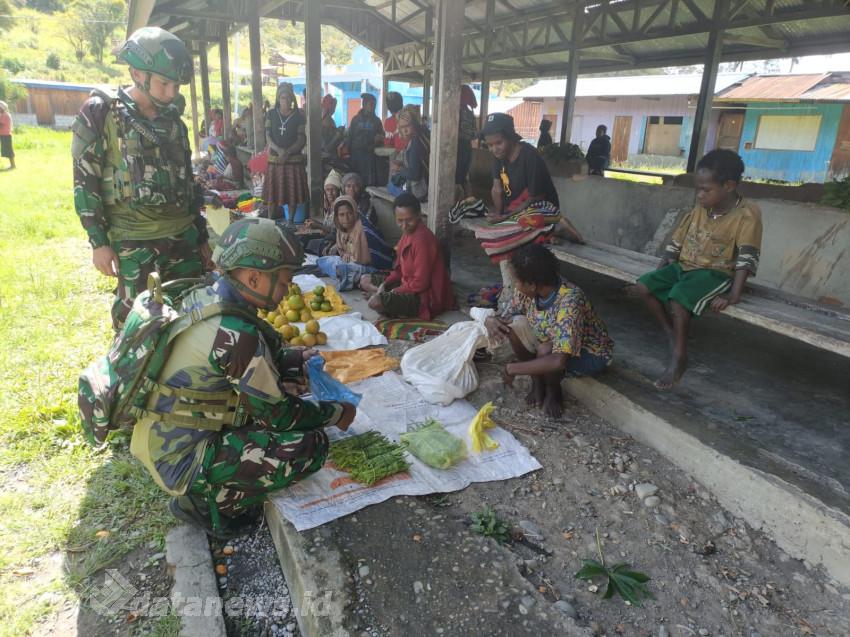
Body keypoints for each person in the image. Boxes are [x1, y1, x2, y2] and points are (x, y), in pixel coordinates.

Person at [129, 218, 357, 537]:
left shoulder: (204, 296)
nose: (288, 290)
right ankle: (208, 501)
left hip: (162, 436)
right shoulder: (238, 334)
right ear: (253, 278)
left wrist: (288, 360)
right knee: (311, 444)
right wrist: (335, 413)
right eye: (283, 281)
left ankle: (209, 484)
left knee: (279, 398)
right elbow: (281, 416)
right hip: (181, 457)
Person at [71, 26, 210, 330]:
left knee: (190, 322)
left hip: (182, 239)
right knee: (138, 328)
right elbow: (85, 181)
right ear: (136, 73)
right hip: (135, 242)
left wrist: (201, 236)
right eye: (164, 83)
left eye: (176, 85)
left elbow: (188, 183)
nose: (172, 92)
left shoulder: (174, 120)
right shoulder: (101, 112)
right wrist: (98, 242)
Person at [635, 149, 762, 390]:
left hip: (715, 272)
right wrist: (667, 259)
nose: (700, 195)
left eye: (706, 190)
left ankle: (680, 357)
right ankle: (671, 334)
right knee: (643, 285)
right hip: (685, 266)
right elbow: (680, 237)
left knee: (678, 298)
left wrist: (733, 295)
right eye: (698, 189)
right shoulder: (701, 208)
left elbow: (747, 255)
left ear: (729, 185)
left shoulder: (747, 215)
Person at [485, 244, 613, 418]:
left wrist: (511, 368)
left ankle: (553, 391)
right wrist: (490, 319)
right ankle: (537, 380)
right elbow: (505, 317)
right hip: (549, 338)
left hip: (589, 353)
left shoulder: (570, 300)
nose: (515, 284)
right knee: (513, 326)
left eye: (516, 280)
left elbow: (558, 361)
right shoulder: (531, 289)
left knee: (546, 350)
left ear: (531, 284)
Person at [360, 192, 454, 320]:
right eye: (400, 220)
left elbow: (421, 283)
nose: (404, 225)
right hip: (405, 283)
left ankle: (387, 301)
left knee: (375, 302)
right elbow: (398, 270)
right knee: (365, 279)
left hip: (423, 296)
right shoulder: (407, 234)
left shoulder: (422, 241)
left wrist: (395, 291)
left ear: (419, 215)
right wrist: (385, 284)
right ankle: (384, 296)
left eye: (409, 220)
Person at [316, 195, 394, 290]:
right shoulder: (341, 229)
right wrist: (345, 254)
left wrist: (351, 259)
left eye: (350, 213)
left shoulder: (363, 230)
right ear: (336, 217)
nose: (346, 218)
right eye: (341, 215)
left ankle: (351, 278)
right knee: (323, 260)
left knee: (342, 269)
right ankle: (351, 278)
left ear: (355, 212)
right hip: (351, 262)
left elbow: (369, 260)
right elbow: (343, 251)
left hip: (371, 267)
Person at [263, 82, 308, 221]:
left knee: (292, 194)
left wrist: (287, 152)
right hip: (275, 160)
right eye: (283, 97)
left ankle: (291, 221)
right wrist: (279, 150)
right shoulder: (271, 114)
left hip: (293, 161)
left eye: (288, 97)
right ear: (278, 99)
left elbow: (301, 139)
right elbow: (268, 136)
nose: (286, 100)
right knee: (272, 195)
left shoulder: (299, 116)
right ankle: (270, 221)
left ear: (292, 99)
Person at [389, 105, 429, 201]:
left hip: (420, 192)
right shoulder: (424, 133)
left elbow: (415, 174)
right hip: (426, 186)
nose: (405, 131)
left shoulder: (415, 142)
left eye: (408, 126)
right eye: (402, 127)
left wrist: (399, 168)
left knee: (390, 186)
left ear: (414, 124)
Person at [343, 93, 384, 186]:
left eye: (374, 104)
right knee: (356, 183)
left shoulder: (377, 121)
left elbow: (381, 136)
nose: (373, 107)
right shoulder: (355, 120)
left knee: (369, 185)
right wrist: (349, 154)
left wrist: (379, 139)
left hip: (370, 158)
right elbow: (350, 138)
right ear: (364, 104)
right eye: (371, 104)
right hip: (356, 157)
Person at [303, 170, 343, 255]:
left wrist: (318, 226)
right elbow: (327, 226)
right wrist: (314, 223)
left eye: (333, 190)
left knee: (310, 244)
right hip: (328, 236)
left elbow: (336, 231)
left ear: (339, 191)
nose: (330, 193)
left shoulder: (341, 207)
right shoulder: (329, 206)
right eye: (327, 190)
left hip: (336, 240)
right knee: (302, 239)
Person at [456, 85, 477, 194]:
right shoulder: (470, 112)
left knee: (457, 176)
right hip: (467, 147)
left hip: (458, 147)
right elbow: (474, 134)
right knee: (463, 175)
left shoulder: (455, 112)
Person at [320, 94, 343, 160]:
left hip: (330, 155)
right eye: (333, 106)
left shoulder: (328, 120)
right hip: (328, 159)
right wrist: (337, 135)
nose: (334, 109)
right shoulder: (326, 121)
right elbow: (327, 148)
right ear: (328, 107)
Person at [0, 101, 14, 170]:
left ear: (2, 108)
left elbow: (0, 124)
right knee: (7, 150)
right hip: (3, 135)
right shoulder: (3, 115)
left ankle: (13, 166)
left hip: (6, 135)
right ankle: (12, 165)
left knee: (9, 151)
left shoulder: (4, 115)